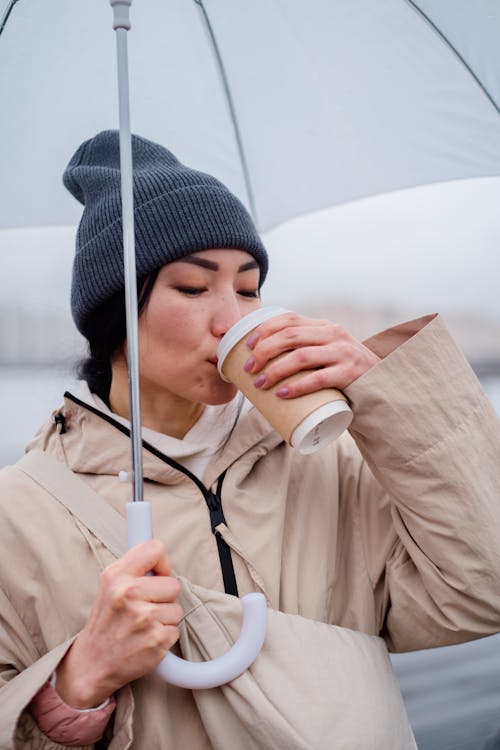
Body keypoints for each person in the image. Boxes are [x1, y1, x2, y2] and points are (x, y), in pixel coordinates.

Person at [0, 129, 499, 749]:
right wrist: (75, 684)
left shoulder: (329, 460)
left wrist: (390, 398)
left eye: (247, 288)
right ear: (115, 314)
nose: (234, 318)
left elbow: (483, 591)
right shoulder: (17, 512)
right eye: (192, 287)